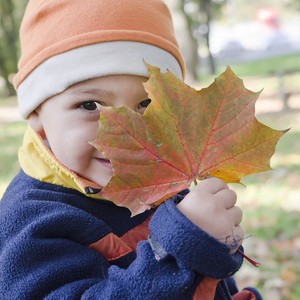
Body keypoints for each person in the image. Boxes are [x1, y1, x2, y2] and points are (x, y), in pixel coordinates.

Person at [0, 0, 262, 299]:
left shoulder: (164, 184)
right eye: (90, 105)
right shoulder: (32, 222)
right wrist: (183, 241)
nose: (129, 133)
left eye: (147, 104)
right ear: (35, 112)